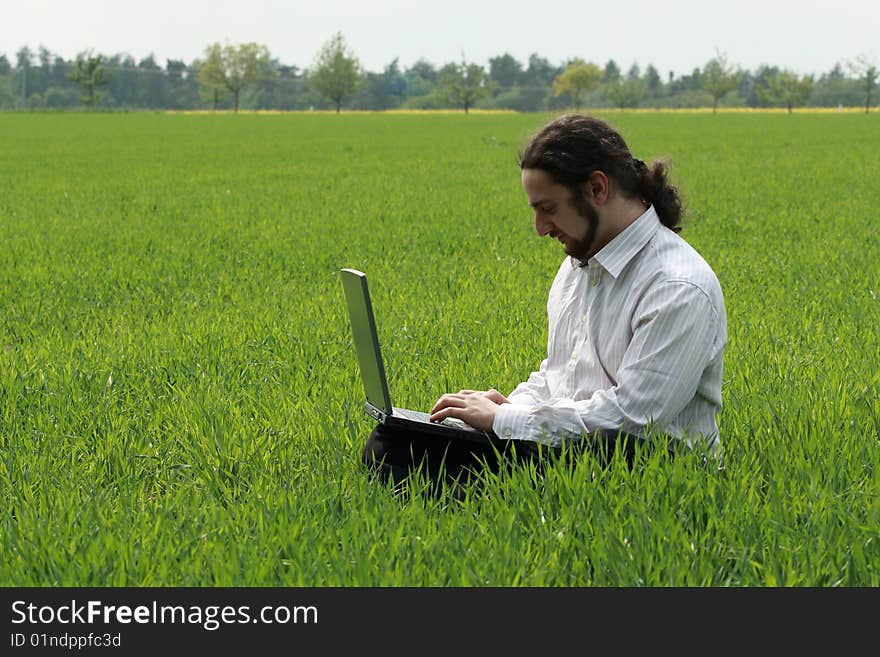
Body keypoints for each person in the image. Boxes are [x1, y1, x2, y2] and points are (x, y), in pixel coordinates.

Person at [362, 113, 727, 494]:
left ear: (597, 188)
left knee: (432, 476)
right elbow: (560, 375)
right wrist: (503, 407)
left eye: (548, 208)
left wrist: (505, 420)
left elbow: (633, 421)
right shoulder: (579, 264)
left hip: (649, 468)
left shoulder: (677, 285)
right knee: (393, 444)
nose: (540, 228)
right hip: (574, 447)